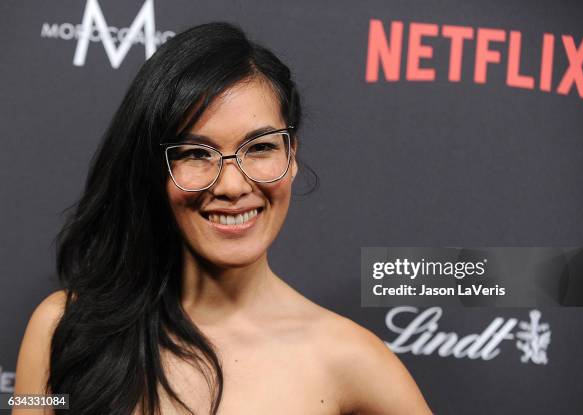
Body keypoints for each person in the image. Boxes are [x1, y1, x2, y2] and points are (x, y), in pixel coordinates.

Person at [13, 22, 432, 415]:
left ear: (292, 156)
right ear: (155, 170)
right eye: (195, 153)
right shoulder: (60, 329)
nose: (232, 185)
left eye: (261, 148)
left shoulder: (352, 360)